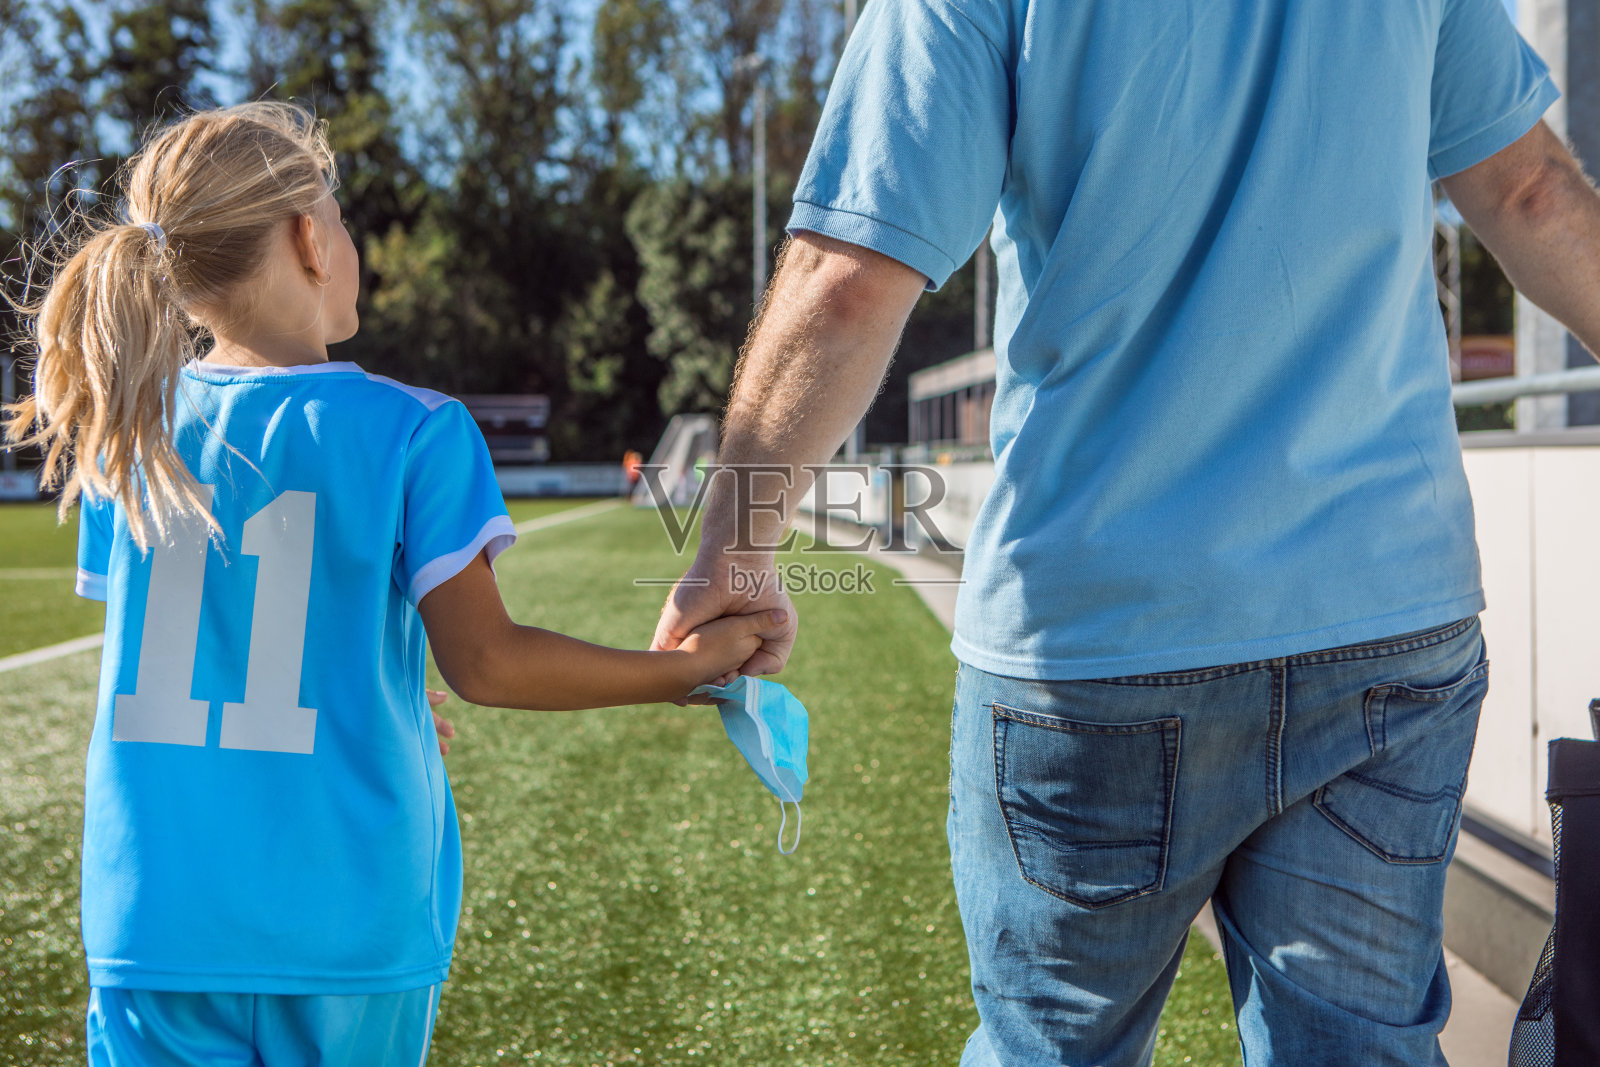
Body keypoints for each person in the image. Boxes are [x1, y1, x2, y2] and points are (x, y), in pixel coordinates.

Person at [652, 1, 1600, 1063]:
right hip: (1385, 613)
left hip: (1096, 640)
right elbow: (1530, 193)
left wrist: (731, 551)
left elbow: (844, 281)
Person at [2, 101, 782, 1066]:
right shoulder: (415, 429)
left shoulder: (132, 431)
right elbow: (489, 663)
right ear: (308, 240)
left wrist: (361, 692)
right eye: (340, 213)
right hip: (342, 923)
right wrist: (680, 669)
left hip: (152, 922)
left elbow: (195, 646)